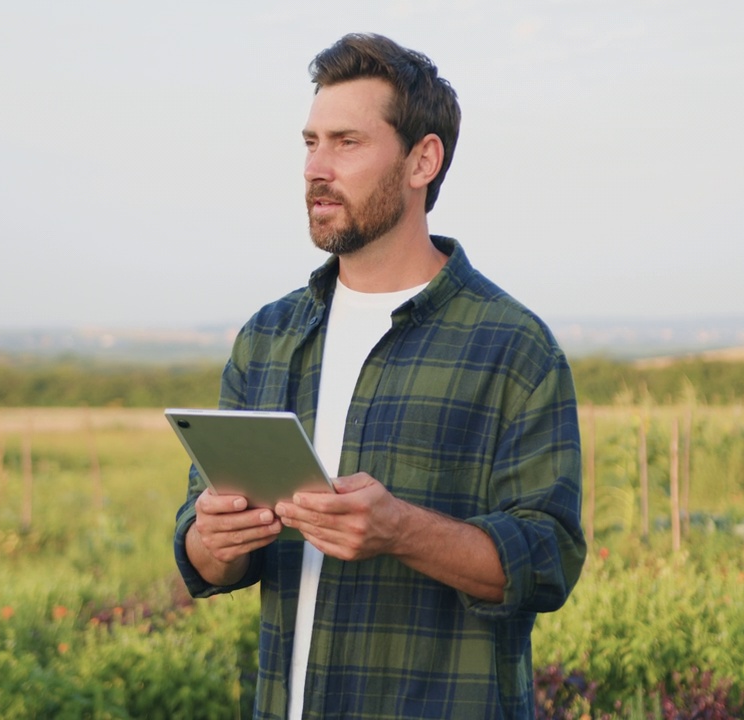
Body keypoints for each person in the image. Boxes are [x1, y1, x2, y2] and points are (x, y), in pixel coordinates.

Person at [173, 32, 586, 719]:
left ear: (423, 159)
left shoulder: (514, 347)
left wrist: (400, 531)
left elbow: (548, 560)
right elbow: (208, 550)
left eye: (346, 142)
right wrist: (210, 540)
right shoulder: (267, 339)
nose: (315, 167)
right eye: (310, 142)